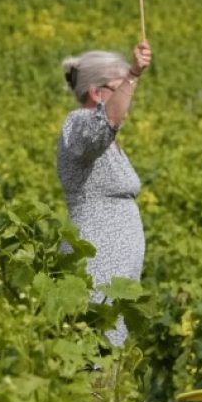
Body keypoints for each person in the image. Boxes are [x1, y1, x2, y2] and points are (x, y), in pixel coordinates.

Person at [57, 42, 152, 347]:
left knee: (109, 343)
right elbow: (107, 122)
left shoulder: (106, 139)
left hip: (115, 265)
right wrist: (134, 72)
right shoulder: (80, 123)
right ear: (97, 93)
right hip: (98, 261)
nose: (128, 93)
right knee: (96, 344)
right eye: (119, 86)